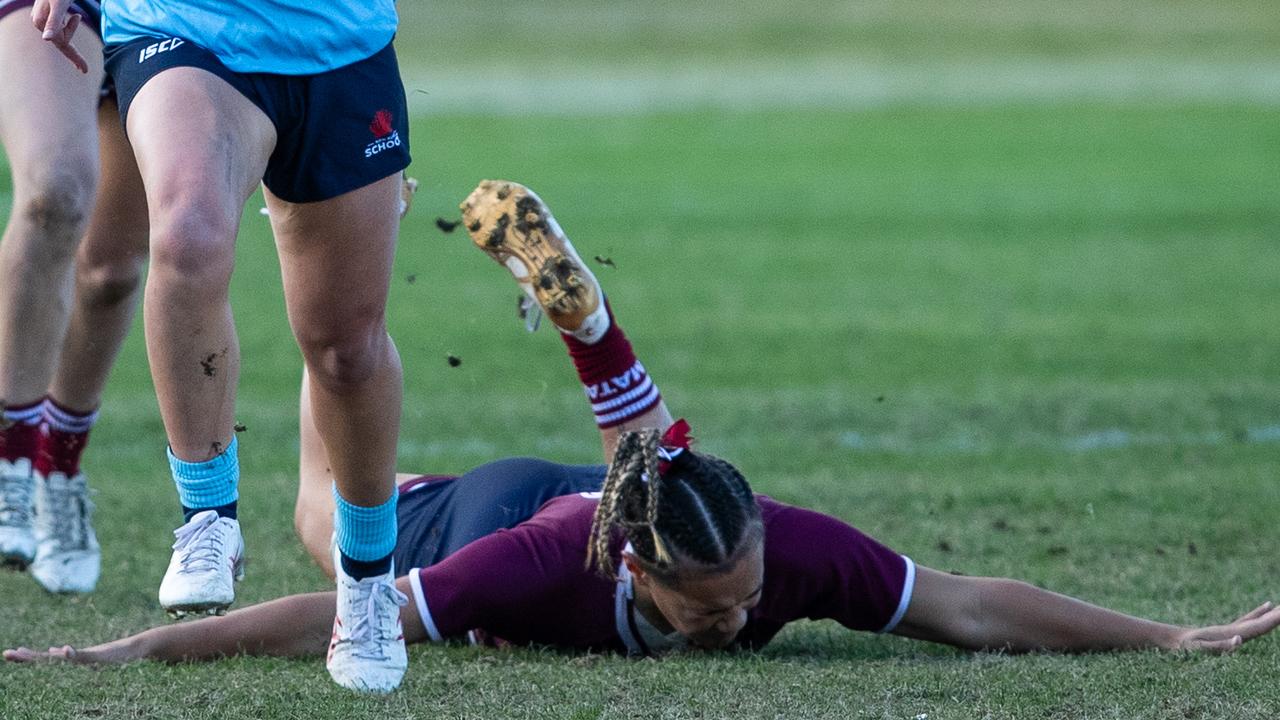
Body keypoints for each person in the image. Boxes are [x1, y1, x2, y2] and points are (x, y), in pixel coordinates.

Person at [6, 181, 1277, 671]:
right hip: (508, 506)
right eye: (710, 607)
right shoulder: (537, 561)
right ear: (632, 579)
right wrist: (119, 658)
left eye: (741, 596)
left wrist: (1174, 634)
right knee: (321, 523)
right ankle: (334, 305)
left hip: (645, 494)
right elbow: (329, 622)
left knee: (657, 463)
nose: (737, 618)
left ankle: (596, 341)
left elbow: (974, 607)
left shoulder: (772, 548)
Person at [32, 0, 413, 692]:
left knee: (345, 349)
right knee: (186, 237)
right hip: (182, 28)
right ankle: (207, 516)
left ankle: (366, 584)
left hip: (340, 44)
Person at [0, 0, 149, 593]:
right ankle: (10, 456)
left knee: (111, 272)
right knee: (54, 193)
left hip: (172, 14)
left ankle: (57, 470)